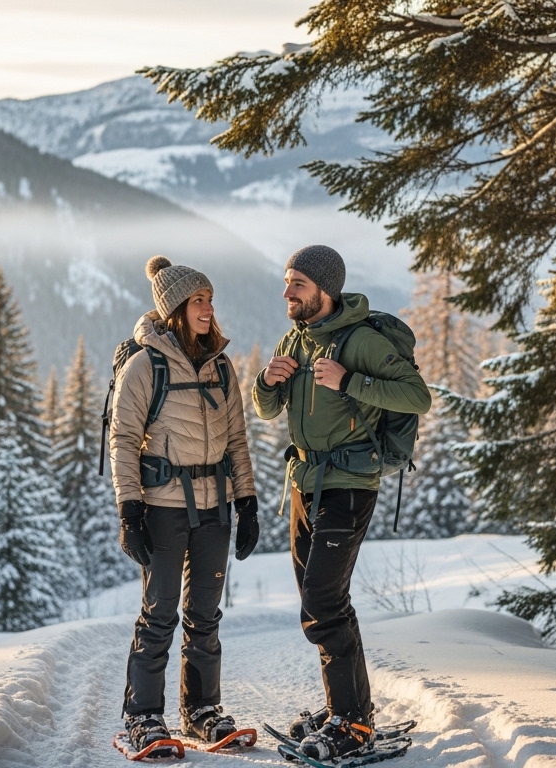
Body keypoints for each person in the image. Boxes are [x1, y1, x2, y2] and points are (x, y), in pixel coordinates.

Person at [252, 245, 431, 761]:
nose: (287, 292)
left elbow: (417, 396)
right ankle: (350, 711)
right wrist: (266, 382)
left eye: (298, 284)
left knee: (322, 601)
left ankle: (351, 722)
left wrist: (350, 380)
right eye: (287, 281)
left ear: (325, 291)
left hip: (350, 483)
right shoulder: (295, 339)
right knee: (324, 602)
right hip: (303, 484)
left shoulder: (361, 341)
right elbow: (266, 410)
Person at [110, 255, 262, 755]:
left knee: (205, 616)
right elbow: (123, 439)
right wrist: (130, 511)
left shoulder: (220, 365)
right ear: (176, 308)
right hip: (162, 507)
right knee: (159, 615)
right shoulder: (145, 365)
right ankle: (143, 717)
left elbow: (237, 439)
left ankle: (201, 711)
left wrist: (248, 502)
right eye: (198, 300)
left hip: (216, 508)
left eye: (210, 299)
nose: (208, 308)